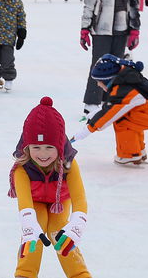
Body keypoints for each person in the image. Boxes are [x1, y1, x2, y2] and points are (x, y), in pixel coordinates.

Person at [8, 97, 91, 278]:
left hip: (59, 202)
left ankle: (80, 274)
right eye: (36, 147)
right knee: (33, 234)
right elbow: (25, 204)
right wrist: (28, 223)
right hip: (35, 202)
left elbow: (79, 198)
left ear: (59, 146)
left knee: (58, 232)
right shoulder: (22, 168)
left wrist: (77, 224)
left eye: (49, 147)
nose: (43, 154)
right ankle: (25, 273)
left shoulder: (67, 164)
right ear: (27, 147)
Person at [79, 0, 141, 118]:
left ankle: (109, 99)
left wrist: (134, 30)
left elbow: (134, 6)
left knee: (116, 65)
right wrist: (85, 29)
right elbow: (89, 4)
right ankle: (91, 102)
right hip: (101, 29)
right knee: (99, 65)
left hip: (121, 29)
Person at [73, 54, 148, 165]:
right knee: (128, 118)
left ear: (107, 80)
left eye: (99, 81)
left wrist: (89, 128)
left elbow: (109, 113)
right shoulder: (126, 79)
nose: (98, 85)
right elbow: (109, 107)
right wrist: (93, 116)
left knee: (122, 121)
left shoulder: (123, 90)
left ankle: (130, 155)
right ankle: (138, 151)